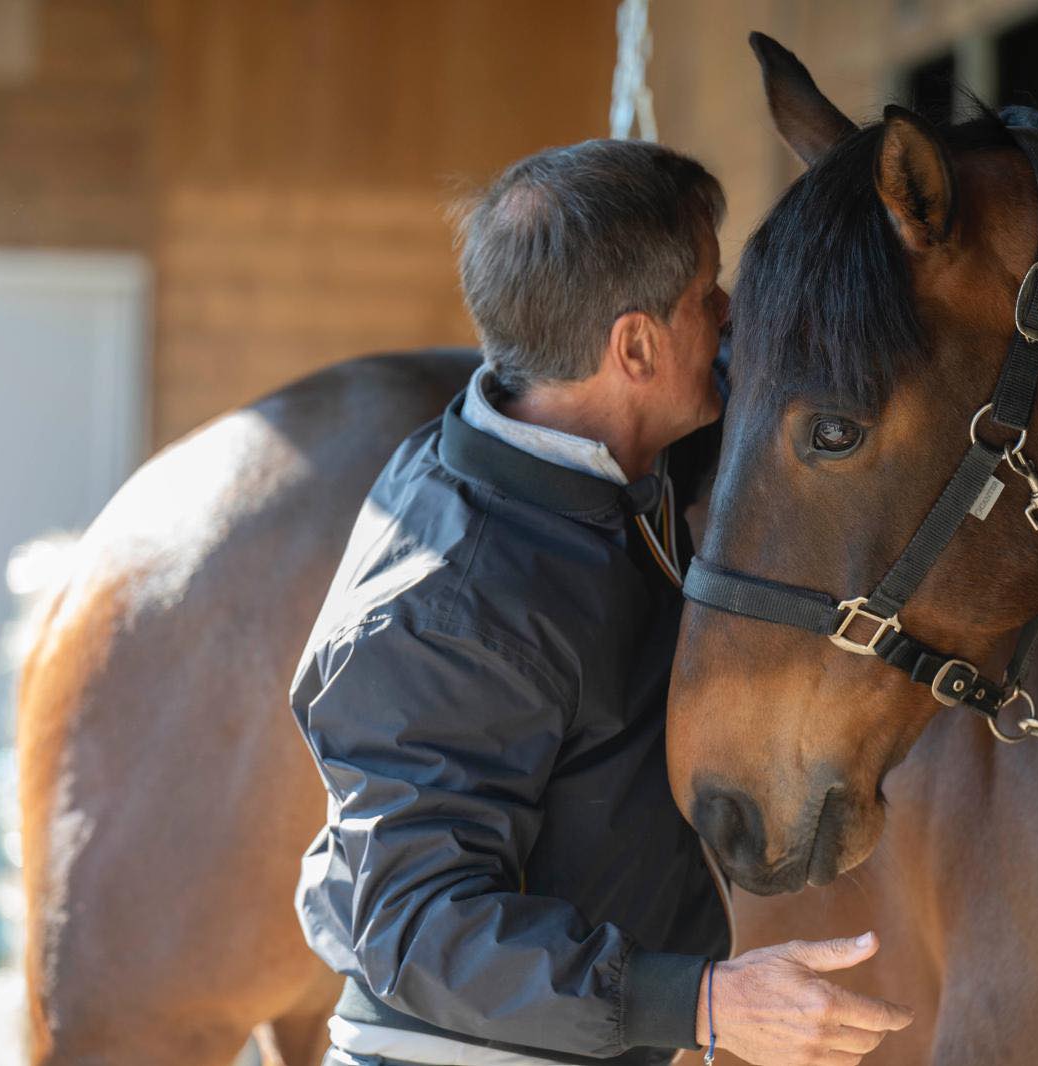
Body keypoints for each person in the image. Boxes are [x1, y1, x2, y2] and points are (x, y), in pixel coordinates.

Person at [290, 138, 914, 1066]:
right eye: (708, 295)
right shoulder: (446, 606)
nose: (730, 316)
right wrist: (702, 1004)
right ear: (633, 346)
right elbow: (415, 921)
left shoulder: (595, 456)